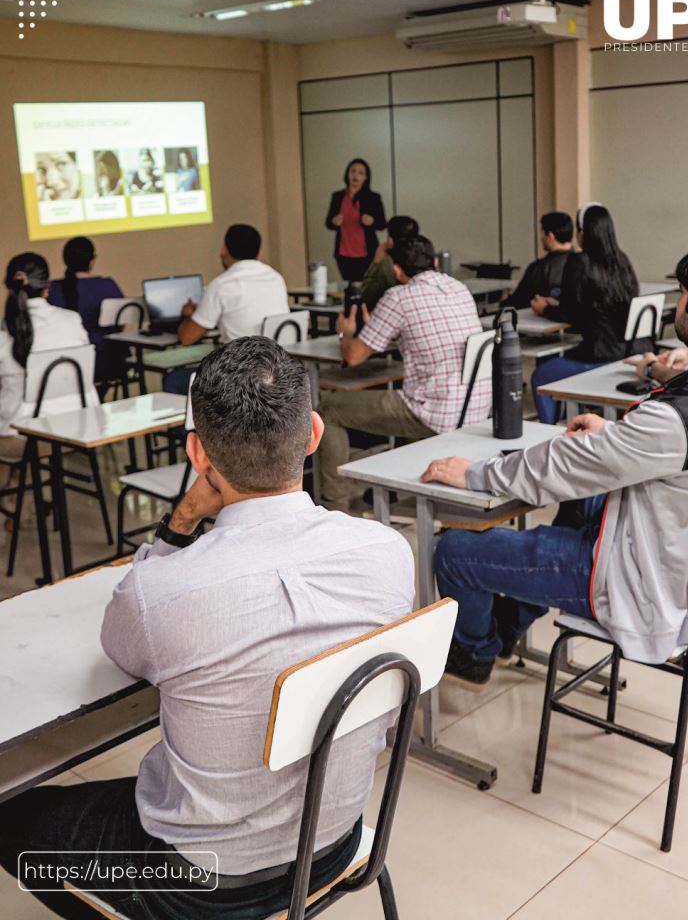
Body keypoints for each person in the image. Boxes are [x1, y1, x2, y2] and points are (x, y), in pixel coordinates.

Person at [0, 336, 414, 920]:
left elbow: (120, 648)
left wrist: (182, 519)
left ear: (197, 456)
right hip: (334, 841)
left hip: (197, 885)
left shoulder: (162, 592)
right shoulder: (388, 551)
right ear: (314, 434)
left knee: (13, 819)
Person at [418, 234, 688, 688]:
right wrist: (617, 437)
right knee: (577, 506)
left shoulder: (676, 423)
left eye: (681, 295)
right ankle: (507, 626)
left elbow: (562, 465)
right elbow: (669, 448)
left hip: (639, 582)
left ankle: (476, 651)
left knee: (454, 551)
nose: (676, 305)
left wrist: (475, 473)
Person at [318, 234, 491, 512]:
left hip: (434, 414)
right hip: (474, 407)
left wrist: (346, 332)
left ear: (397, 270)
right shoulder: (458, 287)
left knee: (329, 408)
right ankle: (394, 485)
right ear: (434, 262)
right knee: (407, 386)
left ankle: (333, 506)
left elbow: (353, 356)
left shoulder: (398, 297)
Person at [530, 203, 645, 424]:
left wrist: (545, 308)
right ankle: (578, 417)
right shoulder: (622, 261)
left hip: (597, 354)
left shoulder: (580, 262)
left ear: (582, 233)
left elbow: (569, 313)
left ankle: (551, 432)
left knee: (541, 375)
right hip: (627, 351)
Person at [167, 223, 290, 395]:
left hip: (237, 377)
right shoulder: (276, 279)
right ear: (259, 253)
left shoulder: (222, 285)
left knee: (174, 380)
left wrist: (189, 315)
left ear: (223, 249)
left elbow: (187, 338)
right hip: (277, 371)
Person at [0, 253, 91, 459]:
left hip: (20, 440)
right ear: (47, 287)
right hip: (78, 429)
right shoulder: (72, 320)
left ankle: (17, 486)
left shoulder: (4, 333)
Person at [48, 236, 126, 385]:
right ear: (92, 261)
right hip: (108, 359)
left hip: (65, 362)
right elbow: (120, 325)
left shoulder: (52, 290)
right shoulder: (107, 285)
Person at [325, 158, 387, 287]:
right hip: (343, 252)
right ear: (347, 174)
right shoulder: (338, 196)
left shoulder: (373, 198)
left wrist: (372, 221)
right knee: (350, 286)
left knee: (365, 286)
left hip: (366, 252)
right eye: (352, 171)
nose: (355, 175)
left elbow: (382, 224)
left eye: (360, 172)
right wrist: (334, 222)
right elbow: (328, 223)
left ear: (366, 177)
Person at [502, 211, 573, 311]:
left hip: (540, 322)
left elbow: (519, 301)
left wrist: (503, 302)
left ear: (550, 237)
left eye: (542, 233)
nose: (541, 238)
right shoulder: (587, 263)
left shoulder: (538, 268)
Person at [359, 215, 419, 313]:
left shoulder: (387, 264)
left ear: (390, 240)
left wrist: (376, 261)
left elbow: (366, 295)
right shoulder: (424, 260)